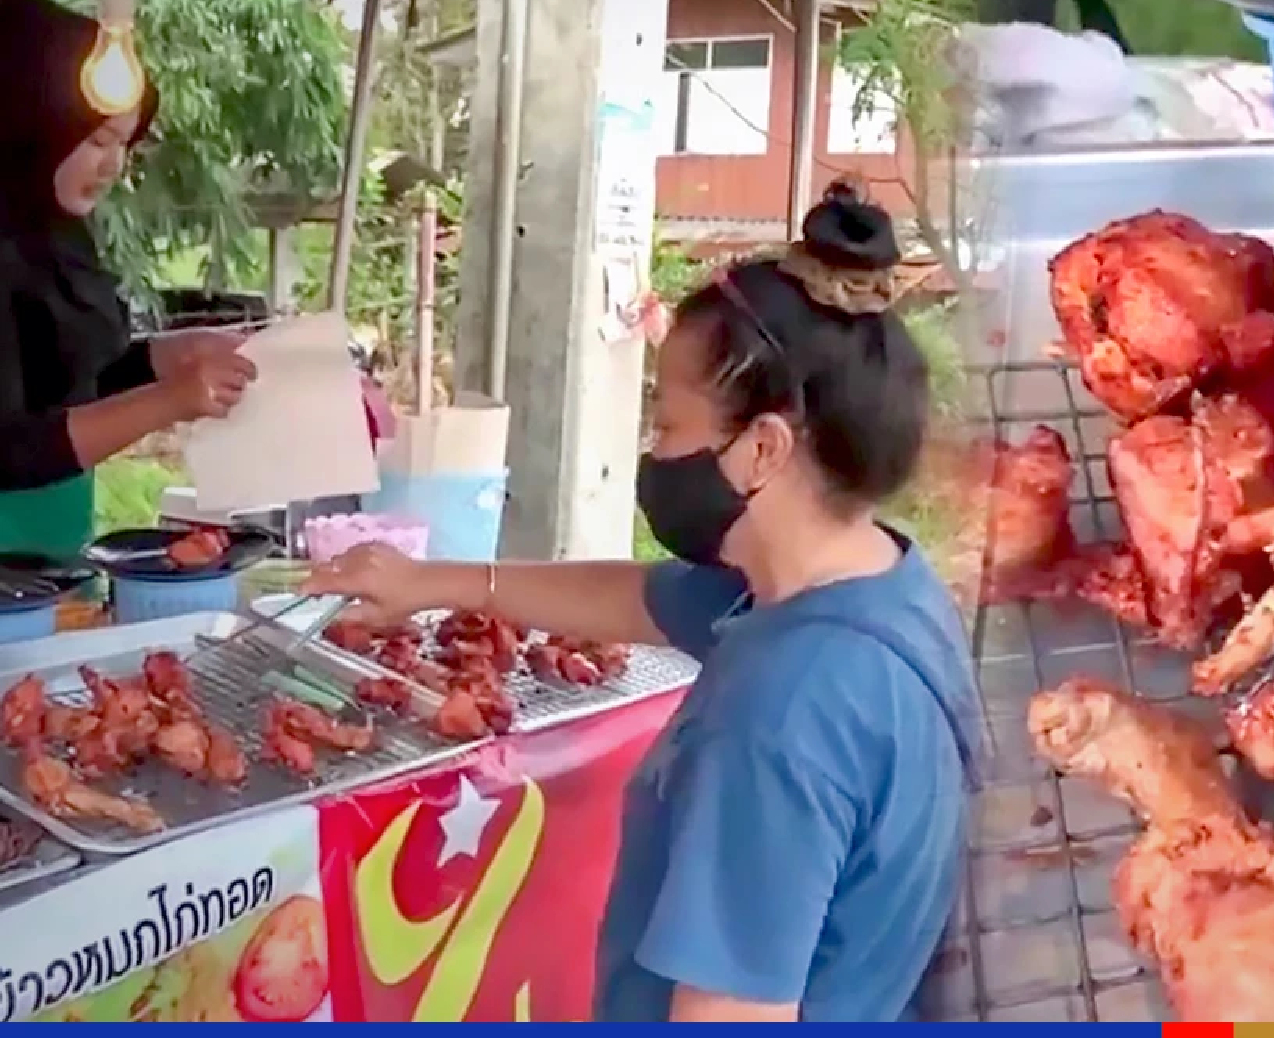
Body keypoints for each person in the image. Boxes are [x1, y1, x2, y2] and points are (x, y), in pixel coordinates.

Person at [305, 184, 978, 1022]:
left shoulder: (777, 718)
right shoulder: (882, 590)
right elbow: (639, 597)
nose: (653, 456)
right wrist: (429, 583)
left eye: (665, 426)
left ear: (762, 448)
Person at [0, 0, 256, 558]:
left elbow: (68, 378)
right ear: (32, 124)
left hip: (50, 561)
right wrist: (169, 401)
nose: (114, 165)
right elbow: (9, 447)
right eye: (96, 140)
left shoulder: (54, 231)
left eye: (124, 144)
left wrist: (174, 354)